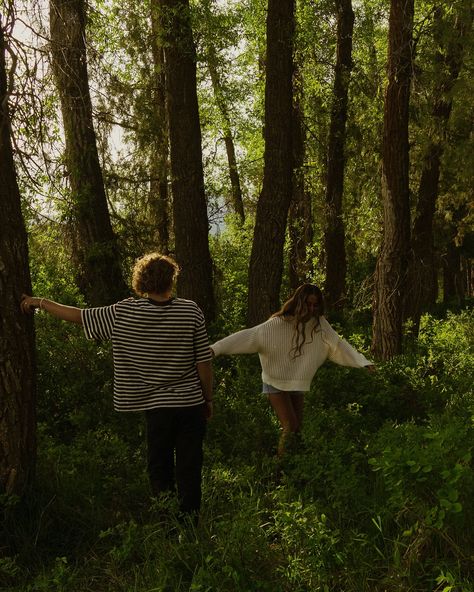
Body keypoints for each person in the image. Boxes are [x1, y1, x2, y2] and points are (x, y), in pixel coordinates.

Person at [21, 252, 213, 521]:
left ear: (142, 281)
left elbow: (79, 316)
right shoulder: (191, 310)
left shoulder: (124, 311)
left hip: (156, 408)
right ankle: (192, 522)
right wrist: (208, 399)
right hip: (191, 403)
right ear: (172, 279)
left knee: (159, 466)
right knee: (190, 465)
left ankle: (168, 524)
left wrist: (39, 302)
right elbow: (203, 361)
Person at [211, 284, 374, 455]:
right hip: (275, 381)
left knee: (297, 430)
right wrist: (216, 348)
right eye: (308, 304)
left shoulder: (319, 324)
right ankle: (280, 472)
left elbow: (338, 345)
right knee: (290, 426)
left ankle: (295, 467)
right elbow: (249, 336)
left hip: (297, 381)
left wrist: (362, 361)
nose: (311, 309)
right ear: (298, 302)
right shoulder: (277, 323)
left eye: (315, 305)